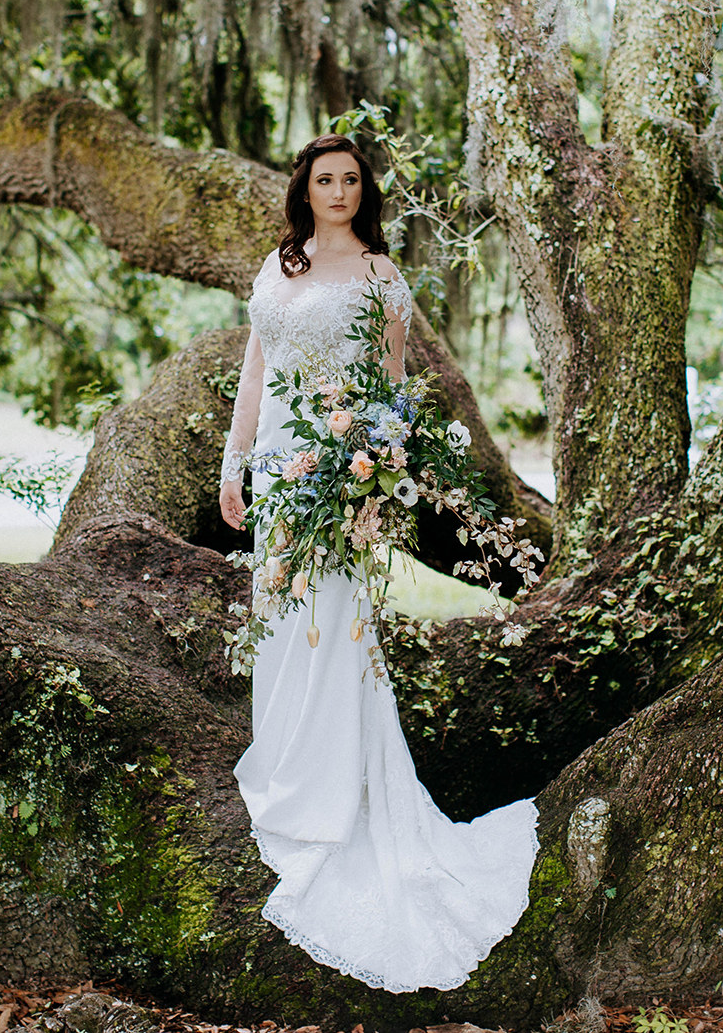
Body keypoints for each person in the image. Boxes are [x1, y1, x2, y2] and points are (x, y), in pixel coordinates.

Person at [218, 133, 539, 993]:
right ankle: (282, 764)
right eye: (324, 178)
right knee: (279, 615)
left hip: (338, 476)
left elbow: (393, 393)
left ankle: (332, 796)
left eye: (350, 179)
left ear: (364, 191)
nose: (337, 190)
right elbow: (257, 368)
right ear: (304, 187)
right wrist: (233, 462)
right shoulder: (276, 266)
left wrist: (375, 481)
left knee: (332, 628)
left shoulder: (381, 278)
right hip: (280, 476)